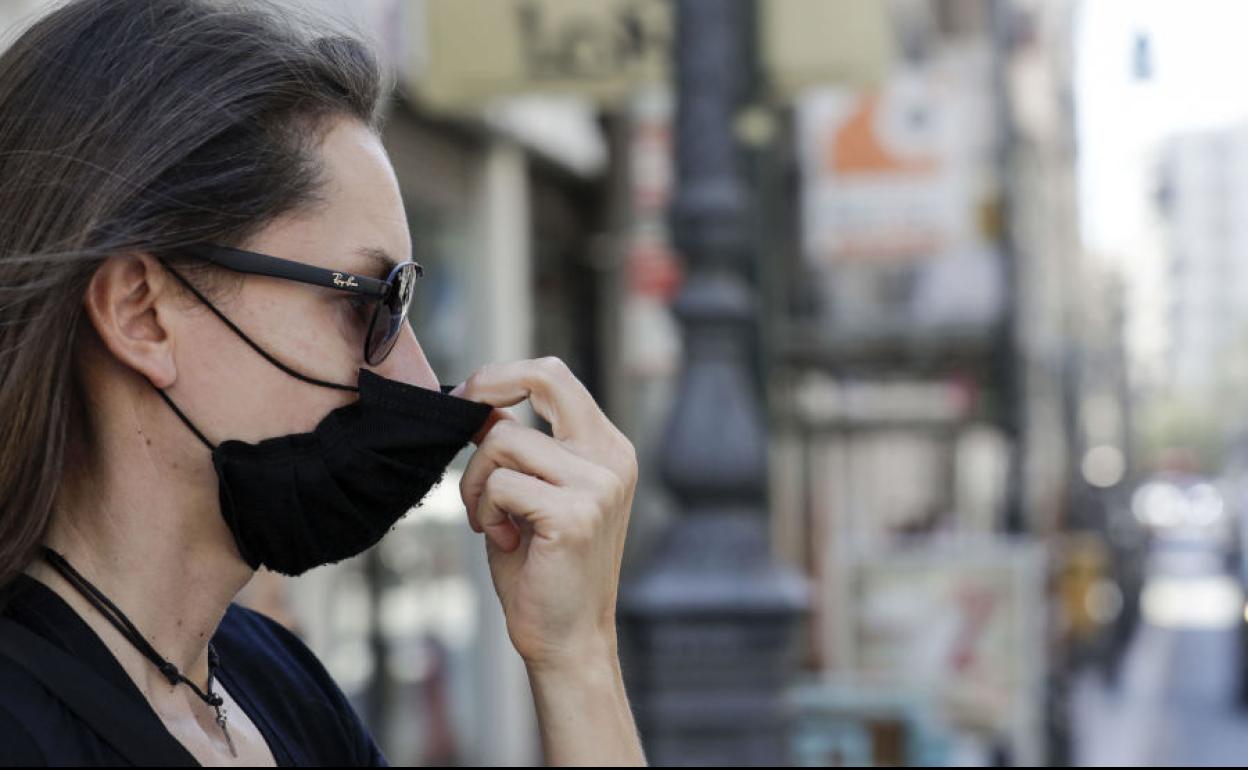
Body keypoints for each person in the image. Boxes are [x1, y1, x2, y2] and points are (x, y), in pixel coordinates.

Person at [0, 0, 645, 765]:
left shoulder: (280, 687)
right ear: (142, 312)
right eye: (367, 303)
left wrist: (576, 656)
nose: (417, 375)